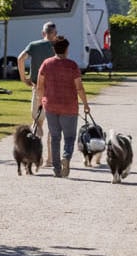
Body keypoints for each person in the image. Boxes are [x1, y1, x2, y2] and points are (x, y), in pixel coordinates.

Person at [32, 35, 90, 178]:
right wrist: (86, 104)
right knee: (69, 137)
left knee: (55, 137)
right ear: (67, 49)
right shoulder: (72, 65)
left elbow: (40, 86)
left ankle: (57, 169)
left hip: (50, 106)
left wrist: (40, 102)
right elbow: (79, 88)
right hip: (69, 107)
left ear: (54, 48)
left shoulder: (46, 64)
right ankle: (66, 157)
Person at [19, 22, 59, 132]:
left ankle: (35, 146)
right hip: (55, 89)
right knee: (54, 124)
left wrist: (24, 78)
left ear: (43, 33)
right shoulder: (58, 47)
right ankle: (51, 148)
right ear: (55, 33)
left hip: (38, 87)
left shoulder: (33, 46)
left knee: (37, 120)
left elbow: (20, 59)